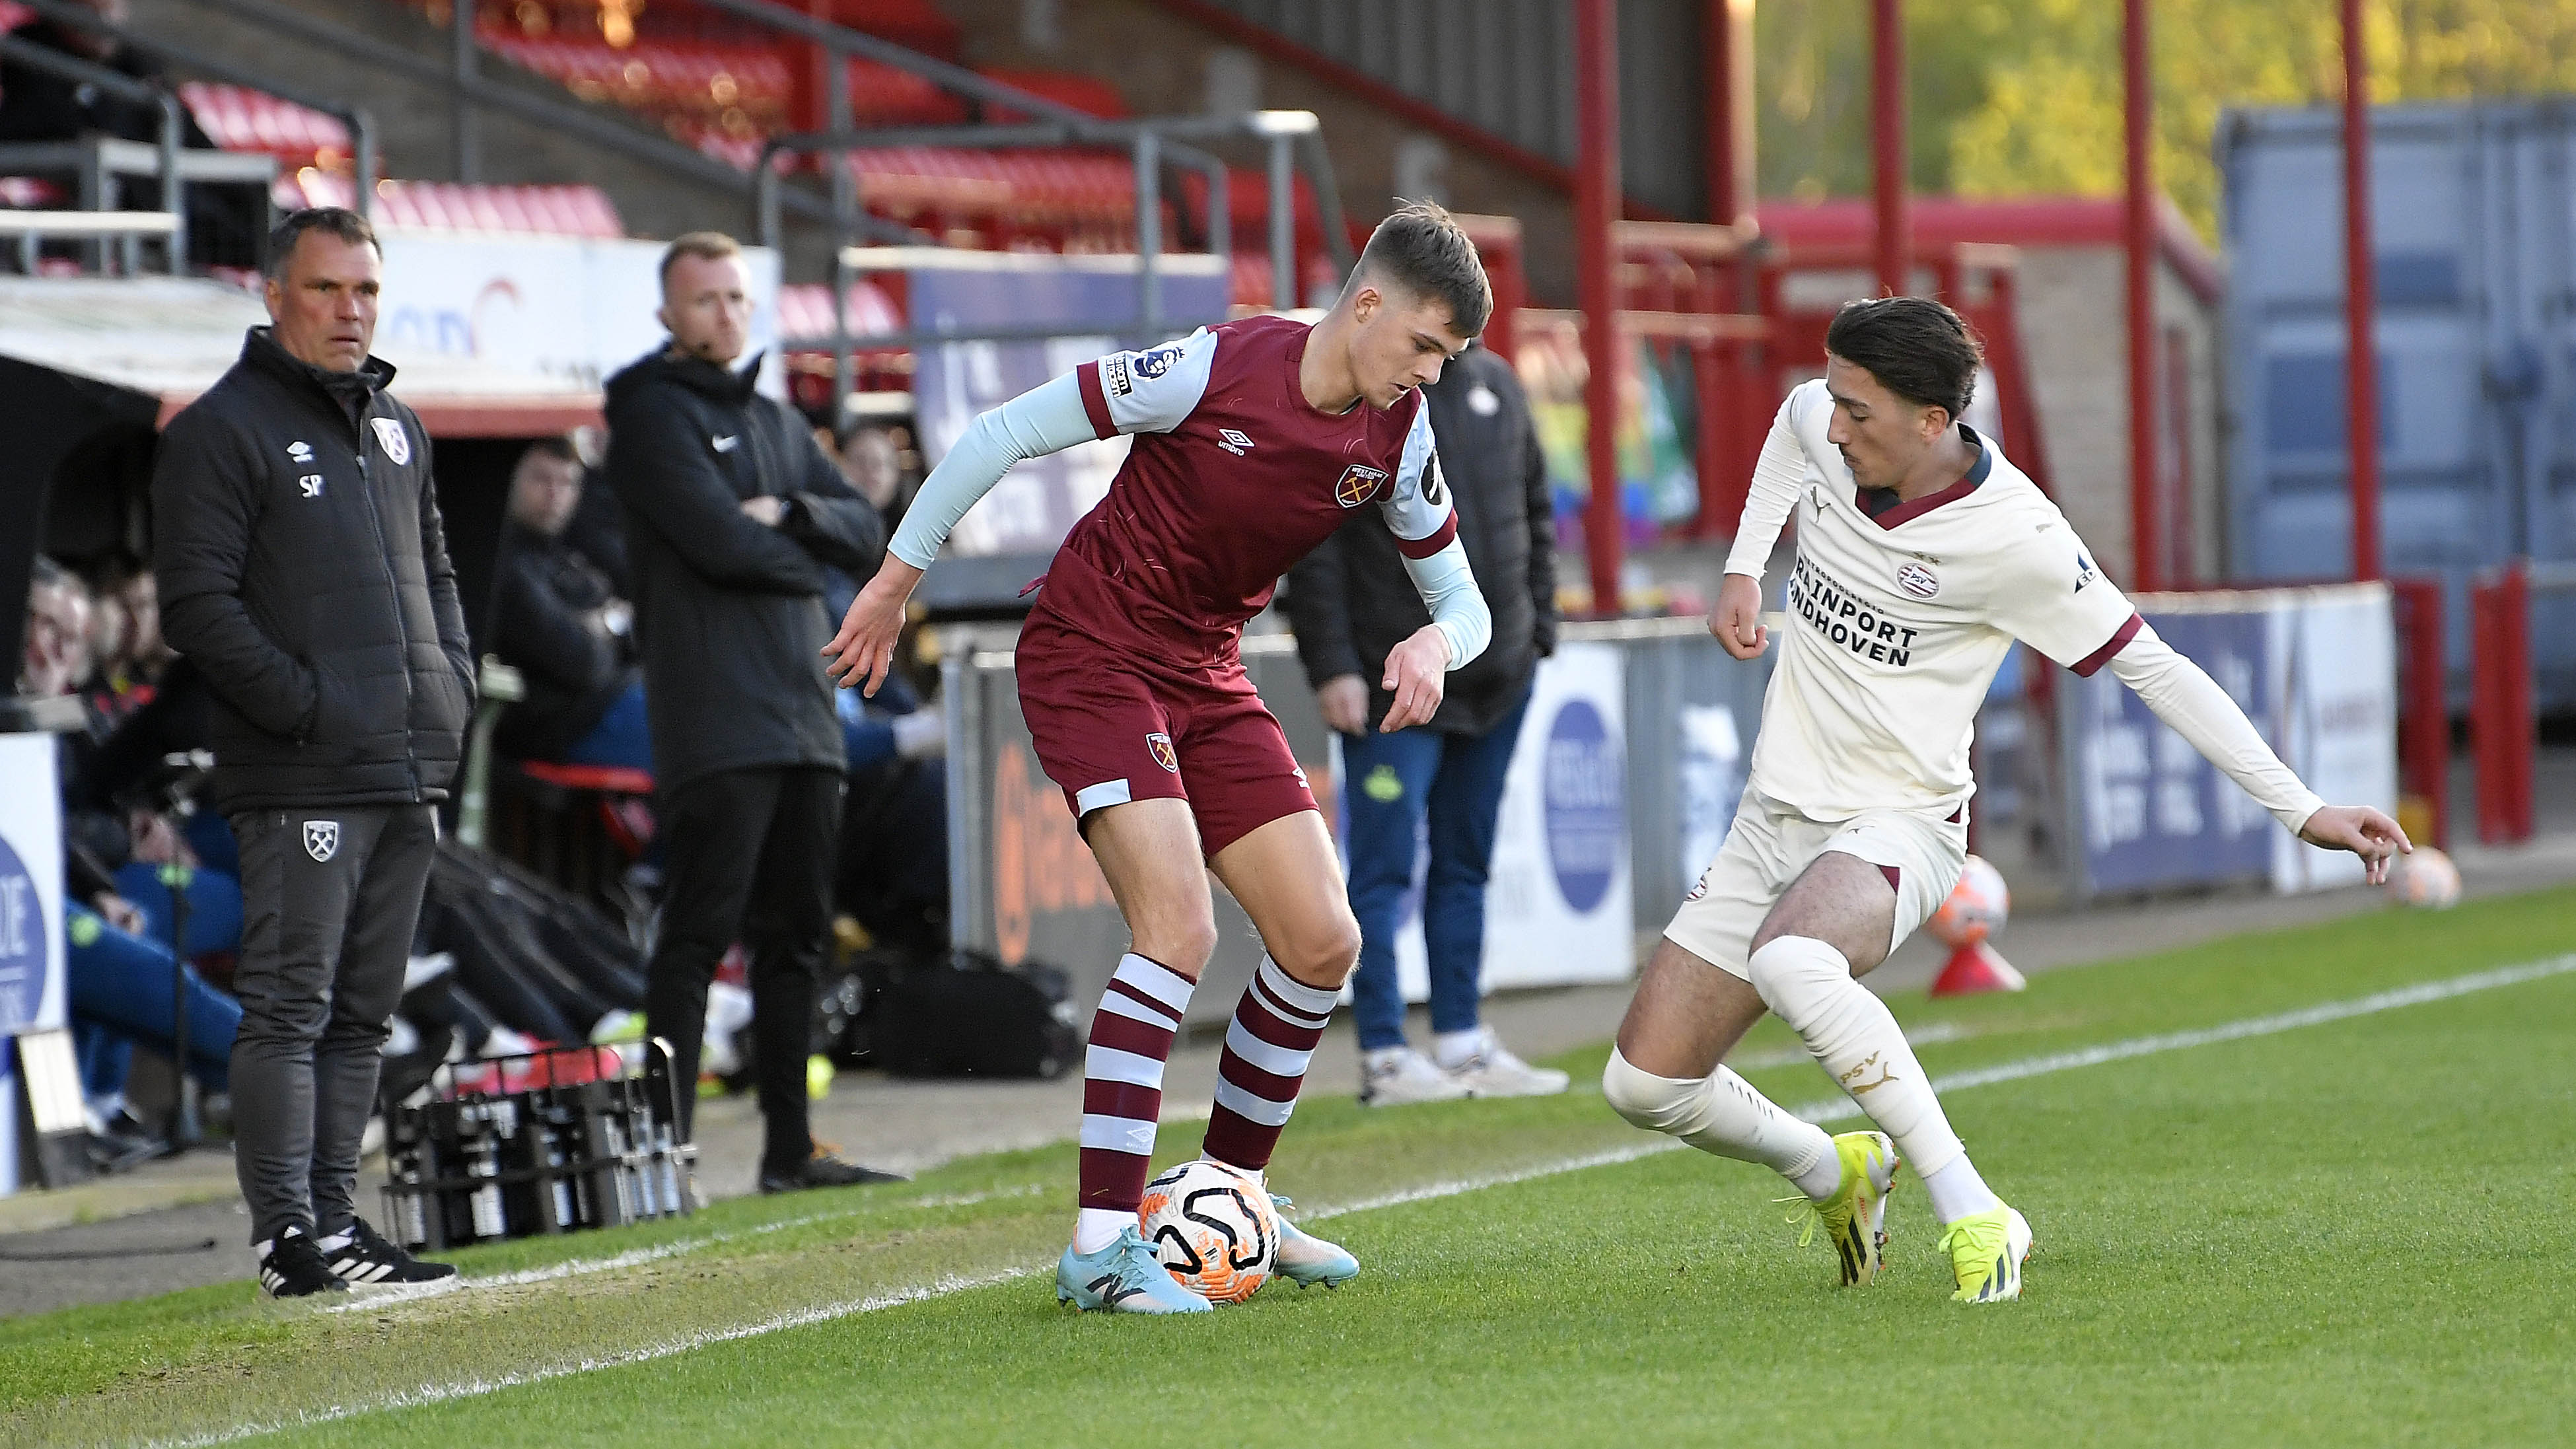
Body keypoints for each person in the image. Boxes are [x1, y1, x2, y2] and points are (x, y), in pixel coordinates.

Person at [1596, 297, 2408, 1304]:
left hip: (1899, 822)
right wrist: (1738, 565)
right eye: (1837, 402)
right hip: (1775, 813)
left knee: (1793, 959)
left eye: (1860, 413)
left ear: (1933, 421)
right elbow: (1790, 424)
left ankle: (1977, 1209)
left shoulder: (2019, 540)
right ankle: (1829, 1168)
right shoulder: (1825, 420)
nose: (1833, 425)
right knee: (1644, 1085)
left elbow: (2154, 670)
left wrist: (2301, 807)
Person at [825, 201, 1497, 1314]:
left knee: (1325, 938)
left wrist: (1436, 637)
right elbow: (1003, 432)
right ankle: (1099, 1249)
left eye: (1448, 359)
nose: (1428, 376)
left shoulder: (1399, 434)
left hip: (1205, 671)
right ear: (1366, 302)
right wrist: (898, 579)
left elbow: (1464, 600)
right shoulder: (1212, 365)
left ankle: (1233, 1190)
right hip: (1092, 651)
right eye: (1424, 346)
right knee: (1178, 929)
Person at [153, 206, 472, 1296]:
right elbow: (196, 605)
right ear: (273, 292)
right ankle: (287, 1233)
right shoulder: (218, 431)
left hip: (404, 760)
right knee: (291, 1003)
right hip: (300, 771)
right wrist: (307, 707)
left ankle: (335, 1221)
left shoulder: (399, 428)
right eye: (329, 288)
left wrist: (451, 690)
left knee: (363, 1012)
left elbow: (438, 578)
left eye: (367, 290)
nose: (352, 311)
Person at [604, 230, 902, 1196]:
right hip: (716, 719)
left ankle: (788, 1149)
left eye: (735, 297)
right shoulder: (648, 412)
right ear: (667, 314)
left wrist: (797, 522)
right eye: (704, 300)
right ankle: (660, 1158)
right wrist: (799, 546)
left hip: (804, 713)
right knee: (696, 933)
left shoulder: (776, 418)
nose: (724, 314)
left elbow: (865, 532)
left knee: (797, 939)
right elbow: (717, 542)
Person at [1284, 342, 1564, 1106]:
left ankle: (1462, 1041)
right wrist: (1333, 665)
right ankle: (1382, 1053)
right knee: (1380, 871)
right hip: (1390, 686)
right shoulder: (1367, 390)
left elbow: (1536, 510)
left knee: (1464, 863)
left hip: (1497, 679)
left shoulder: (1500, 386)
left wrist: (1539, 630)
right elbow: (1314, 540)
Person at [487, 437, 642, 767]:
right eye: (542, 478)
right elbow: (587, 663)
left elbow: (642, 636)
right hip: (559, 725)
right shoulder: (507, 568)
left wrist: (600, 628)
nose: (555, 494)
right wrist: (611, 624)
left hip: (612, 702)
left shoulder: (569, 559)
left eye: (567, 482)